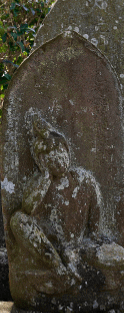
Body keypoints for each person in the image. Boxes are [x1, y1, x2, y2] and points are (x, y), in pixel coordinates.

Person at [7, 110, 124, 302]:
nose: (57, 158)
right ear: (41, 161)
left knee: (119, 256)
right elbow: (27, 210)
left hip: (80, 247)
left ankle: (77, 276)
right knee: (18, 220)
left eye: (60, 150)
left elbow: (93, 230)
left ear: (67, 150)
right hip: (51, 252)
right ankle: (58, 271)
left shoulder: (84, 180)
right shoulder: (41, 183)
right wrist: (45, 178)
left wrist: (91, 245)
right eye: (49, 156)